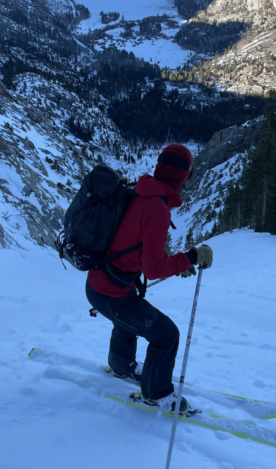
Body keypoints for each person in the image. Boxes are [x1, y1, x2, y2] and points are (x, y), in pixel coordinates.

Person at [85, 144, 214, 414]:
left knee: (128, 317)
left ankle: (122, 366)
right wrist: (191, 257)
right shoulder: (157, 208)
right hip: (113, 293)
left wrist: (176, 264)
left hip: (100, 285)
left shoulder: (139, 192)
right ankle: (156, 394)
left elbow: (134, 246)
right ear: (182, 177)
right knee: (166, 335)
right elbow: (154, 269)